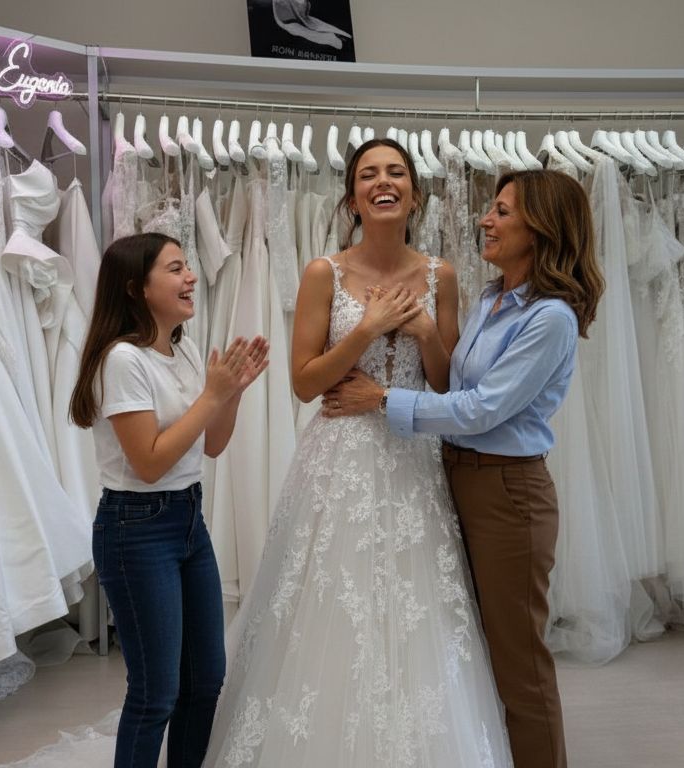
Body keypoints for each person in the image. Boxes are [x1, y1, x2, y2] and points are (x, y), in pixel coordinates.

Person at [200, 138, 513, 766]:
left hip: (413, 459)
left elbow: (447, 385)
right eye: (368, 175)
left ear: (415, 195)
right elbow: (304, 382)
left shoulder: (441, 275)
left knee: (415, 607)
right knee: (331, 606)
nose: (383, 182)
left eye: (396, 172)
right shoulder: (326, 272)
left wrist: (425, 331)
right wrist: (366, 330)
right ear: (352, 199)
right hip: (339, 456)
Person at [325, 169, 604, 768]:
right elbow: (456, 383)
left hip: (508, 492)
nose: (485, 220)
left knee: (519, 665)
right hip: (457, 477)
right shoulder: (492, 299)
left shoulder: (549, 317)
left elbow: (481, 409)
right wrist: (427, 330)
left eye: (502, 211)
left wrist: (381, 399)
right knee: (471, 648)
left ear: (541, 228)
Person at [69, 232, 268, 768]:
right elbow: (150, 462)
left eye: (187, 267)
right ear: (137, 288)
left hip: (187, 521)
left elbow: (212, 444)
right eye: (176, 268)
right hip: (136, 529)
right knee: (156, 692)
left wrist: (230, 395)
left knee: (205, 681)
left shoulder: (181, 350)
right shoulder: (122, 360)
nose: (191, 277)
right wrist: (212, 395)